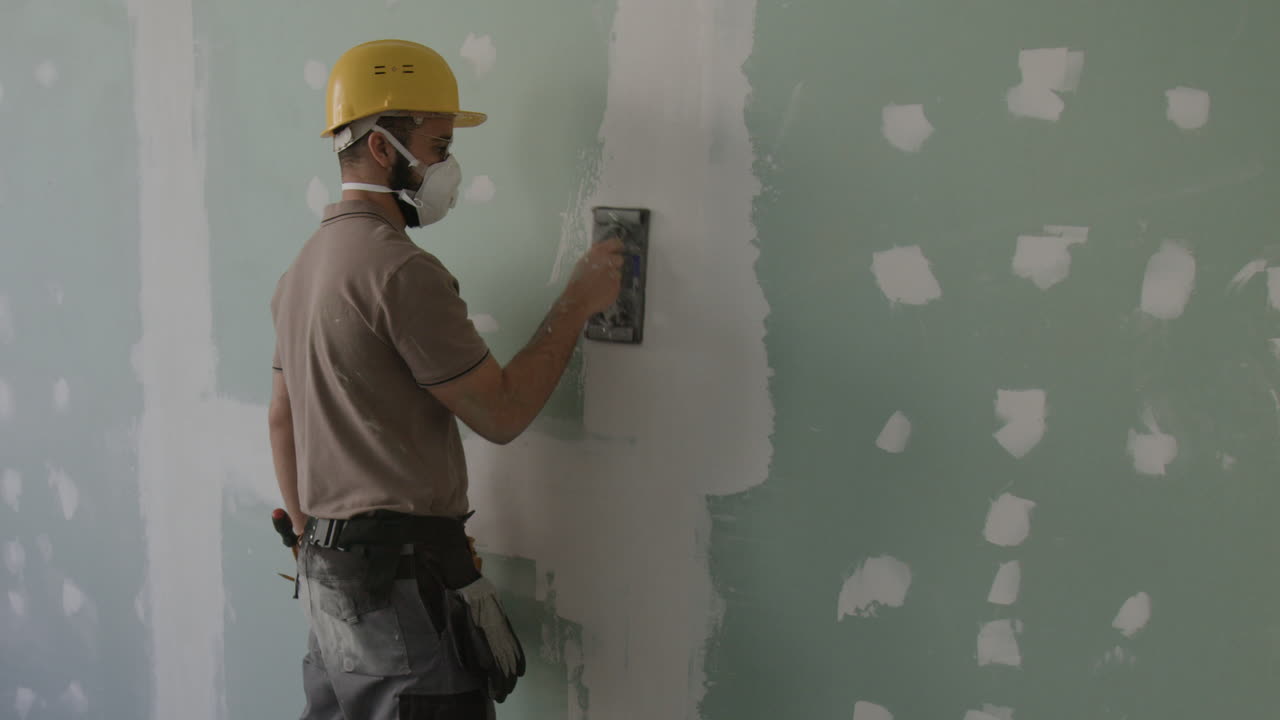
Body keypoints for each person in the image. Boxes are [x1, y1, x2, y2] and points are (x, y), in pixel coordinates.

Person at [267, 38, 624, 719]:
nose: (447, 166)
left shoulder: (301, 271)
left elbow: (281, 420)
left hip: (328, 579)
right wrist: (577, 302)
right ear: (381, 148)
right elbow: (501, 414)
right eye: (437, 145)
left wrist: (320, 540)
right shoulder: (401, 272)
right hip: (398, 587)